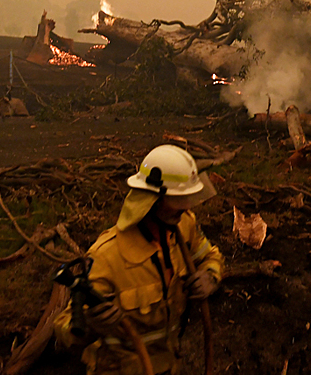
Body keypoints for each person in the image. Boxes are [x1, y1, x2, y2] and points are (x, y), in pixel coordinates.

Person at [55, 144, 224, 375]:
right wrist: (92, 325)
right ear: (150, 199)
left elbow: (209, 256)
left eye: (188, 198)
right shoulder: (107, 256)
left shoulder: (184, 226)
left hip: (171, 365)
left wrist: (210, 277)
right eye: (178, 200)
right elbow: (64, 330)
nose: (186, 208)